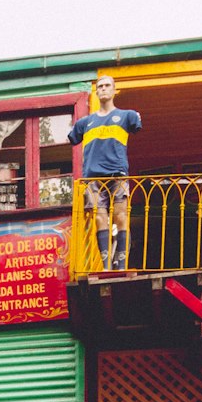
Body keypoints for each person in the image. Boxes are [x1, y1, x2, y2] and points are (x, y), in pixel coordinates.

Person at [68, 74, 143, 272]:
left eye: (107, 85)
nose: (103, 89)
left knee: (120, 216)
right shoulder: (85, 123)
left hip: (117, 174)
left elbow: (137, 126)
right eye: (100, 86)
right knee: (100, 218)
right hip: (93, 177)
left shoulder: (127, 116)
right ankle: (106, 266)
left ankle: (122, 264)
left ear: (114, 90)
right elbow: (73, 138)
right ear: (96, 91)